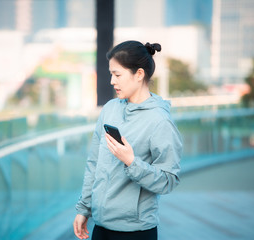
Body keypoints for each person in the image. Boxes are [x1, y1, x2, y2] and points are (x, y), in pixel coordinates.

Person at [73, 40, 183, 240]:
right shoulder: (110, 109)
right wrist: (84, 209)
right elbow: (94, 164)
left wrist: (131, 162)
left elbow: (169, 181)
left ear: (139, 74)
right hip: (101, 228)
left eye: (117, 75)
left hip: (136, 232)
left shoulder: (160, 121)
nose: (112, 81)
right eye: (111, 74)